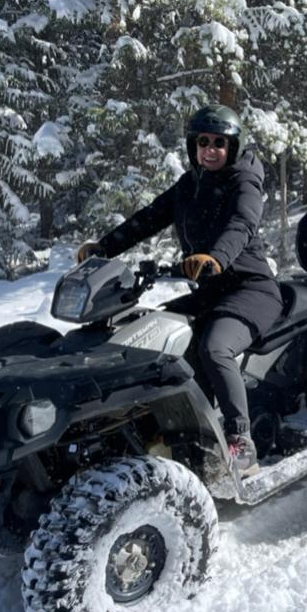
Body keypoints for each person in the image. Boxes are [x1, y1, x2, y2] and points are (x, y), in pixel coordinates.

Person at [76, 104, 281, 476]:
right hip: (210, 291)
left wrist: (216, 257)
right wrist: (103, 248)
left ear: (233, 147)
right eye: (203, 142)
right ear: (193, 146)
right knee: (156, 337)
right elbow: (148, 218)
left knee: (214, 346)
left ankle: (240, 441)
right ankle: (176, 427)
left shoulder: (244, 183)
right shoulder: (191, 184)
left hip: (251, 290)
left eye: (220, 143)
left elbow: (242, 224)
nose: (211, 150)